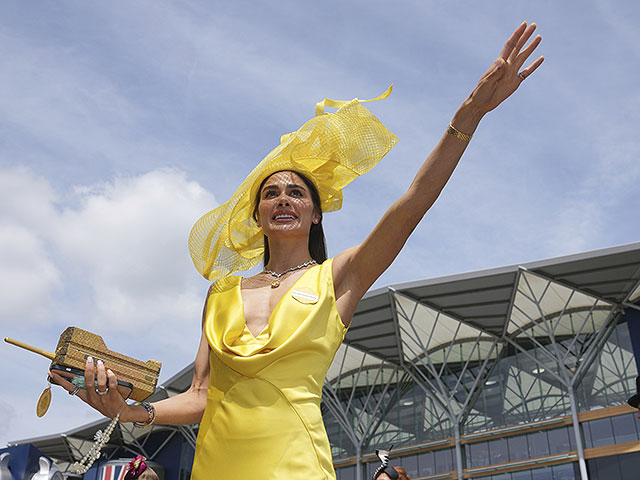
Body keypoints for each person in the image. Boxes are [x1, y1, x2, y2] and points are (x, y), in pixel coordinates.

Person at [50, 22, 543, 479]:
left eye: (296, 192)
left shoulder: (340, 277)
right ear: (258, 214)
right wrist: (133, 411)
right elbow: (201, 396)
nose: (283, 197)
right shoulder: (221, 293)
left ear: (315, 213)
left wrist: (468, 117)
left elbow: (413, 203)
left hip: (296, 464)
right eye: (271, 193)